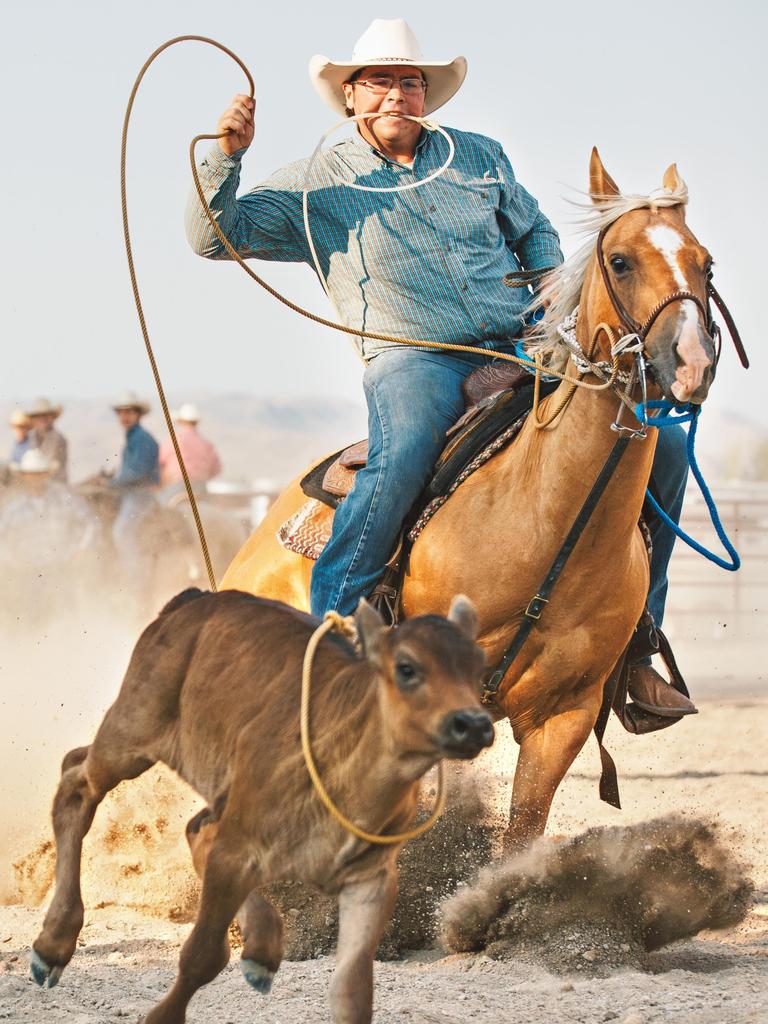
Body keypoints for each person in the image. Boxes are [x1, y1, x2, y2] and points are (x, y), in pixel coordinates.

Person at [186, 18, 694, 725]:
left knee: (656, 443)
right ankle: (331, 636)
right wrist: (226, 157)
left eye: (410, 81)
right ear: (352, 96)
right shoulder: (314, 184)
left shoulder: (479, 156)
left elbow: (536, 229)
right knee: (405, 453)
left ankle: (637, 643)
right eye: (381, 82)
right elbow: (217, 237)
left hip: (518, 345)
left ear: (426, 95)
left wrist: (551, 287)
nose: (397, 93)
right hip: (409, 357)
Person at [0, 448, 99, 569]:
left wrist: (83, 549)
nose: (35, 478)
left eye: (39, 473)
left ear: (46, 474)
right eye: (31, 474)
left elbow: (91, 522)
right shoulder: (15, 507)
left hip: (64, 566)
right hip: (28, 571)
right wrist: (12, 561)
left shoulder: (65, 498)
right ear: (24, 476)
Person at [109, 391, 160, 587]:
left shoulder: (141, 438)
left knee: (122, 531)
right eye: (121, 412)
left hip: (140, 495)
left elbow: (137, 472)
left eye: (129, 412)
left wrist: (111, 483)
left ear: (138, 414)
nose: (124, 416)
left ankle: (135, 580)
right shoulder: (133, 437)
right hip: (130, 493)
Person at [158, 402, 222, 490]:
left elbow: (159, 463)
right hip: (201, 487)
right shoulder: (206, 444)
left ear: (180, 421)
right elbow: (216, 469)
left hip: (176, 486)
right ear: (196, 422)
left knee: (156, 501)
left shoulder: (172, 442)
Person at [25, 397, 68, 482]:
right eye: (39, 416)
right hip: (32, 482)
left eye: (45, 415)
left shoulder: (59, 439)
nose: (42, 419)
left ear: (51, 417)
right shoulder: (30, 437)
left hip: (55, 483)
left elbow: (58, 466)